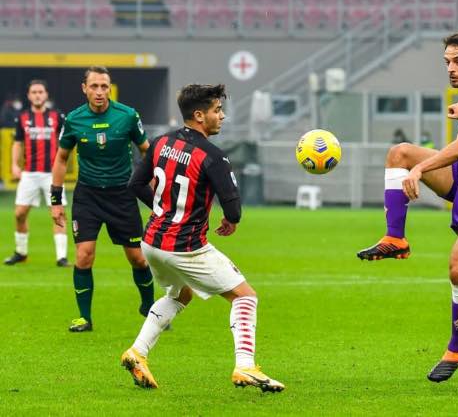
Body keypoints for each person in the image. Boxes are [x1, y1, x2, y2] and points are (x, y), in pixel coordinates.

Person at [357, 31, 458, 382]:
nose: (451, 68)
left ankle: (457, 349)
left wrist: (420, 170)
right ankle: (395, 238)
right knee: (399, 153)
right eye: (447, 62)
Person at [121, 83, 284, 392]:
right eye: (217, 110)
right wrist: (230, 220)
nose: (222, 116)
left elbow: (135, 184)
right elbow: (233, 209)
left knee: (180, 295)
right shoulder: (213, 156)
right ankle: (245, 365)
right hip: (185, 248)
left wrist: (163, 209)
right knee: (245, 297)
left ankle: (137, 352)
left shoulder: (160, 142)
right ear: (199, 115)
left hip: (152, 242)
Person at [51, 66, 154, 333]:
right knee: (83, 256)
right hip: (88, 196)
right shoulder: (73, 119)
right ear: (84, 88)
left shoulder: (128, 115)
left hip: (122, 195)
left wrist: (155, 188)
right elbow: (61, 158)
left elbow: (148, 152)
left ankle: (149, 309)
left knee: (138, 258)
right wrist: (56, 200)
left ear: (110, 88)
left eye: (104, 86)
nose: (99, 92)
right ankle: (84, 317)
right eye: (94, 86)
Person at [4, 80, 68, 267]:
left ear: (46, 94)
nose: (38, 95)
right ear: (29, 96)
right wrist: (14, 165)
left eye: (40, 91)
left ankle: (61, 257)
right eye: (34, 92)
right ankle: (21, 252)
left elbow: (66, 141)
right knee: (19, 214)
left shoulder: (57, 116)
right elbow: (17, 143)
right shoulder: (22, 118)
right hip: (30, 173)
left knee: (58, 213)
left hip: (52, 174)